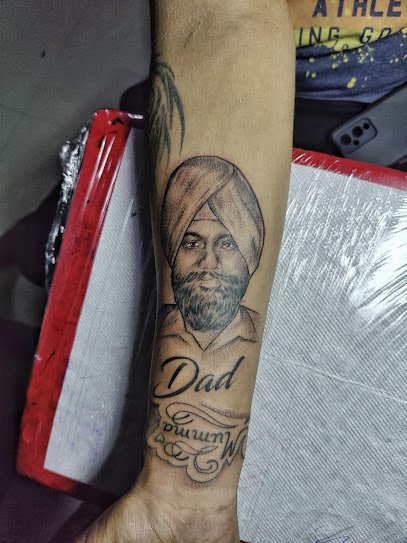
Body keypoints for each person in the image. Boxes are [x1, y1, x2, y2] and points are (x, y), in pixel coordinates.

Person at [78, 0, 295, 541]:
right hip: (221, 87)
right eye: (192, 241)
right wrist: (184, 500)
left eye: (227, 244)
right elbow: (222, 18)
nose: (208, 264)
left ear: (248, 253)